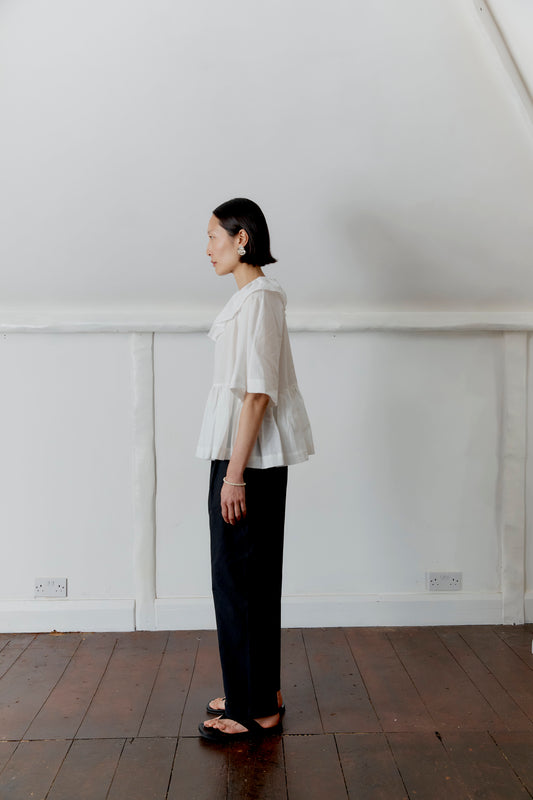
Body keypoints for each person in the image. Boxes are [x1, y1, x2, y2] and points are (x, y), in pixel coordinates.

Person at [196, 197, 314, 742]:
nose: (208, 248)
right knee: (248, 579)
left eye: (213, 236)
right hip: (242, 455)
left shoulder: (261, 298)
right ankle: (257, 690)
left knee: (241, 581)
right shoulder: (249, 299)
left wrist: (234, 474)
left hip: (248, 460)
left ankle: (255, 708)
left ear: (241, 238)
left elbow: (258, 393)